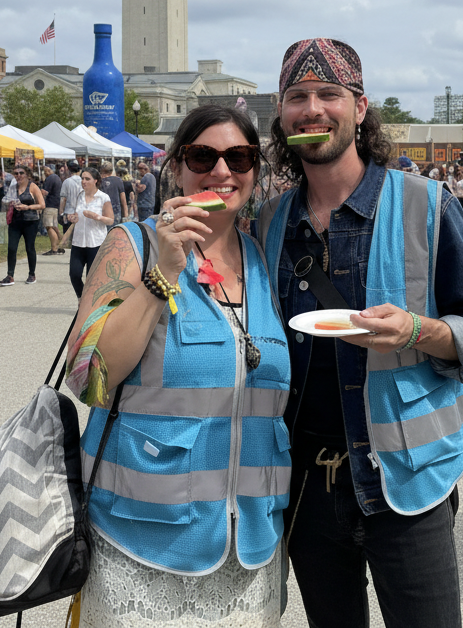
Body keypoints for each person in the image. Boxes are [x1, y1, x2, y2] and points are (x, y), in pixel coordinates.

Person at [257, 38, 463, 628]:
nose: (312, 107)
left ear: (360, 108)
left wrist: (418, 331)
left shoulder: (426, 204)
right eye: (297, 97)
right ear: (282, 114)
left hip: (406, 481)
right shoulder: (267, 224)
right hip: (307, 488)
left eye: (328, 94)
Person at [65, 104, 291, 626]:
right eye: (202, 155)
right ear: (175, 166)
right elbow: (87, 377)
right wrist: (163, 273)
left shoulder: (261, 257)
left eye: (239, 156)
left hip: (249, 548)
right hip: (142, 543)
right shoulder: (133, 244)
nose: (221, 170)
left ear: (256, 171)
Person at [65, 166, 112, 297]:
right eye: (82, 178)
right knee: (74, 274)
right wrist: (72, 217)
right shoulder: (79, 196)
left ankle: (88, 305)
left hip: (96, 242)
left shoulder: (103, 197)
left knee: (92, 279)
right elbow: (76, 214)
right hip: (78, 242)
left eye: (87, 179)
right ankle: (82, 298)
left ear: (95, 180)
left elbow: (110, 220)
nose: (83, 181)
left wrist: (97, 217)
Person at [0, 166, 44, 286]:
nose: (18, 175)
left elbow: (42, 205)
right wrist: (9, 203)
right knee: (11, 248)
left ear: (27, 175)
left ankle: (32, 274)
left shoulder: (33, 187)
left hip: (30, 221)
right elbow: (5, 200)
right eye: (16, 173)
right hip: (15, 221)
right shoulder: (13, 187)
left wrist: (27, 207)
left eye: (21, 173)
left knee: (29, 248)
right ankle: (10, 275)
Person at [40, 164, 65, 256]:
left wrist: (38, 201)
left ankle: (54, 248)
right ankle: (61, 245)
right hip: (56, 205)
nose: (45, 172)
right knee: (54, 226)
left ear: (51, 170)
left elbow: (44, 192)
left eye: (46, 170)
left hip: (50, 205)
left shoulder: (50, 178)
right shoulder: (57, 178)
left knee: (49, 226)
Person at [58, 159, 82, 234]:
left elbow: (63, 199)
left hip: (69, 213)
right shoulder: (83, 181)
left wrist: (61, 213)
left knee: (68, 237)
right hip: (81, 212)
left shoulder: (67, 182)